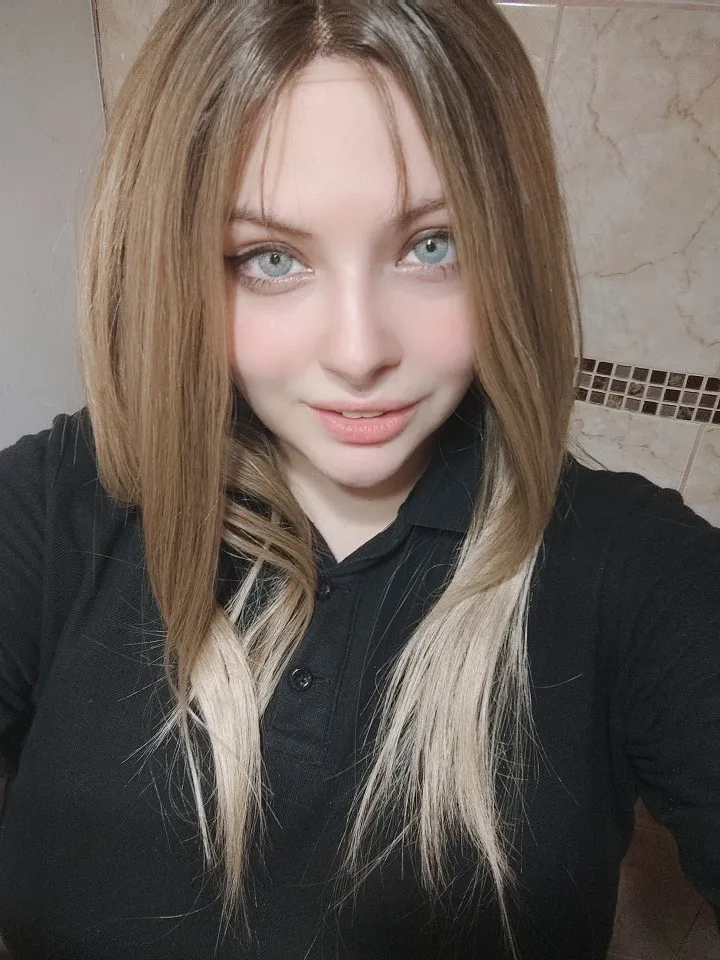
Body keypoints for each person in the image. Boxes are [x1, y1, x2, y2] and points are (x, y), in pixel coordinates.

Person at [0, 2, 718, 958]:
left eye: (433, 244)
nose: (359, 351)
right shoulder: (56, 507)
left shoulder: (641, 573)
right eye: (271, 258)